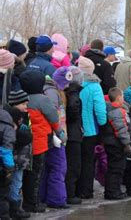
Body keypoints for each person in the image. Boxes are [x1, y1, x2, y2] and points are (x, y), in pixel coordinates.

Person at [19, 70, 61, 213]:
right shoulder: (42, 100)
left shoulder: (21, 97)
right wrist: (60, 132)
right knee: (36, 174)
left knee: (25, 173)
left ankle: (26, 201)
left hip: (24, 142)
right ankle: (32, 203)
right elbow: (53, 118)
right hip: (39, 142)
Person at [78, 56, 107, 199]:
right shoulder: (95, 86)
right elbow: (100, 111)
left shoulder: (72, 84)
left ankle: (75, 189)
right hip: (90, 130)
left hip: (74, 129)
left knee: (76, 160)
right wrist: (103, 124)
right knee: (89, 161)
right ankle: (86, 190)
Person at [40, 68, 70, 209]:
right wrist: (60, 134)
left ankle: (44, 197)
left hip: (50, 135)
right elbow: (52, 115)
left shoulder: (48, 89)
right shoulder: (53, 92)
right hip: (55, 137)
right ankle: (57, 199)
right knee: (58, 167)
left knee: (48, 167)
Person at [101, 88, 131, 200]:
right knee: (117, 169)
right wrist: (127, 144)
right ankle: (113, 192)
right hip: (116, 144)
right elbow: (122, 129)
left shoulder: (107, 109)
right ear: (119, 98)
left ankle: (111, 190)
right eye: (122, 97)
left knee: (112, 168)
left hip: (109, 142)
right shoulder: (118, 112)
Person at [5, 93, 31, 219]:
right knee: (15, 184)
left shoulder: (20, 117)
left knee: (17, 183)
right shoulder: (13, 120)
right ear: (15, 105)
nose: (26, 106)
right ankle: (15, 209)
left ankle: (15, 207)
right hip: (17, 159)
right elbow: (21, 139)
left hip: (20, 159)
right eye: (23, 104)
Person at [63, 66, 84, 205]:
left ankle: (69, 192)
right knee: (74, 164)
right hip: (73, 133)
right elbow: (73, 111)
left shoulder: (67, 91)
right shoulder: (74, 93)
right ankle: (71, 193)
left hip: (69, 132)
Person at [0, 107, 16, 219]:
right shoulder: (6, 123)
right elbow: (7, 148)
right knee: (2, 194)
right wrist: (10, 167)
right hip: (2, 165)